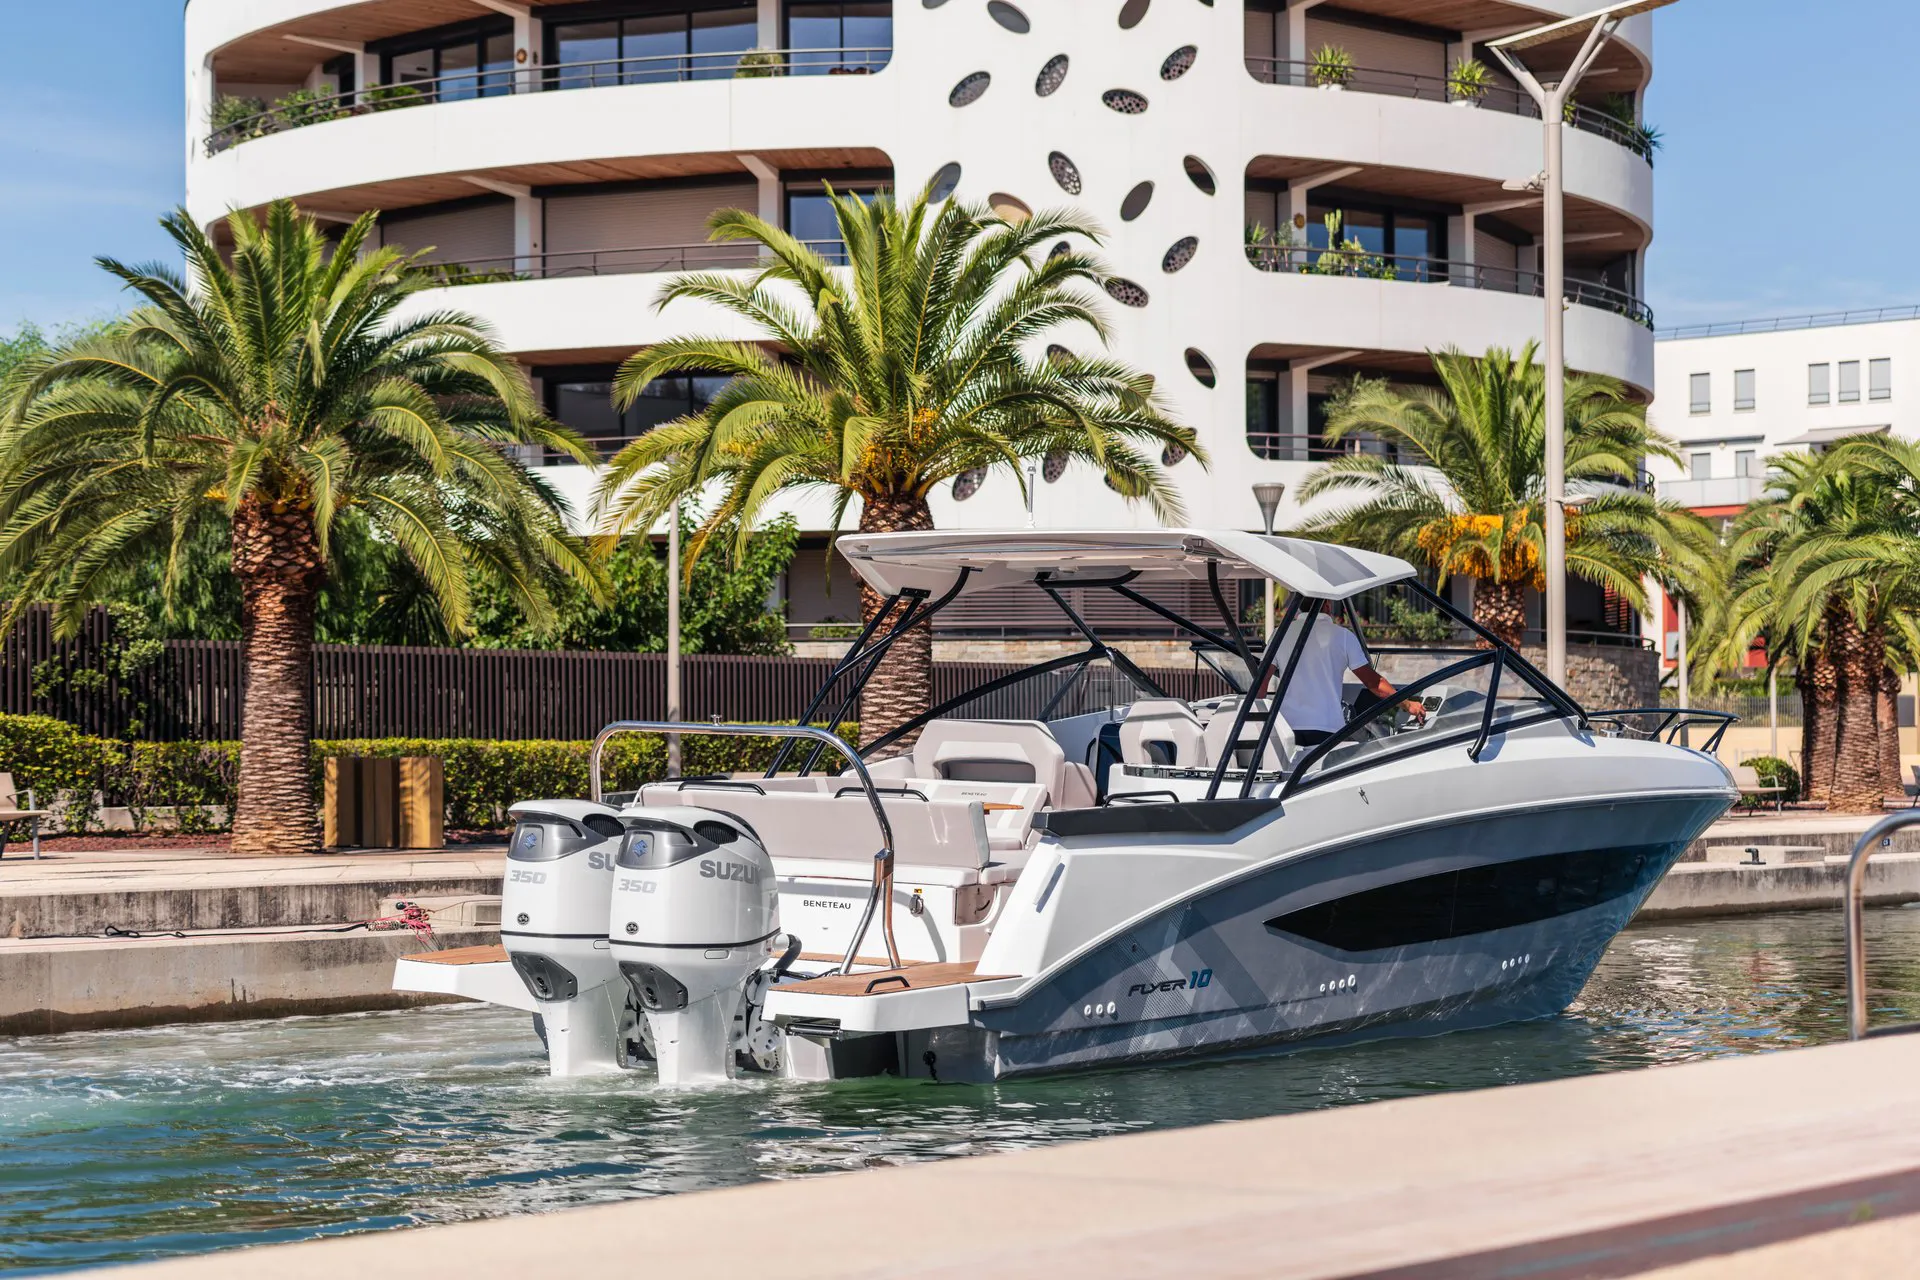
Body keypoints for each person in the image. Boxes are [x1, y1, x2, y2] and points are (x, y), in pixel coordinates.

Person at [1272, 600, 1426, 747]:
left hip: (1285, 727)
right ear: (1327, 605)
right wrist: (1407, 704)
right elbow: (1374, 683)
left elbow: (1262, 681)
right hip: (1327, 727)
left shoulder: (1279, 634)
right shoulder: (1343, 636)